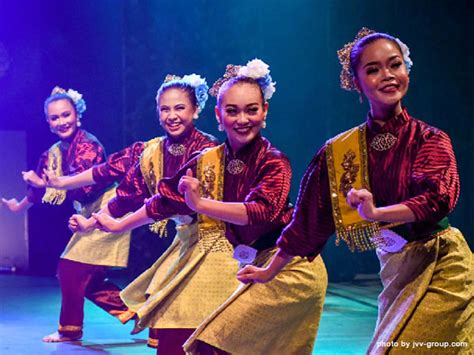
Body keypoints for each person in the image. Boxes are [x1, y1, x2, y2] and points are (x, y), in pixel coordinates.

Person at [238, 29, 473, 354]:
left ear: (407, 69)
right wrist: (269, 271)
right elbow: (308, 222)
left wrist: (377, 214)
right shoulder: (339, 152)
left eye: (395, 65)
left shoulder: (429, 139)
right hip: (395, 269)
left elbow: (437, 198)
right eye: (373, 69)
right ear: (356, 83)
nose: (388, 75)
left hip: (442, 261)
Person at [94, 59, 328, 355]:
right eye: (232, 111)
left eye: (251, 109)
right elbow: (164, 201)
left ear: (264, 111)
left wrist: (201, 203)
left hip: (285, 266)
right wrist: (117, 225)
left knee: (217, 341)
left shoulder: (274, 161)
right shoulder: (205, 160)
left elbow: (261, 211)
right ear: (219, 115)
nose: (242, 119)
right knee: (184, 338)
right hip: (238, 259)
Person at [70, 74, 224, 352]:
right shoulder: (153, 151)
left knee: (192, 316)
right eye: (165, 109)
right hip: (187, 240)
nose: (172, 116)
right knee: (165, 307)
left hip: (218, 243)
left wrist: (119, 226)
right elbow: (126, 195)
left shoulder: (207, 148)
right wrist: (90, 222)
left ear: (196, 110)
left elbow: (170, 202)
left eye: (180, 108)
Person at [2, 87, 133, 342]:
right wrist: (18, 206)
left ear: (78, 116)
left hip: (108, 208)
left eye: (66, 115)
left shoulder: (89, 145)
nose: (61, 122)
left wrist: (51, 183)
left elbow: (85, 182)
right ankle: (140, 312)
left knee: (70, 269)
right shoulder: (52, 152)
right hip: (87, 212)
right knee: (86, 279)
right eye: (55, 118)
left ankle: (69, 330)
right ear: (48, 123)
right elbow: (39, 187)